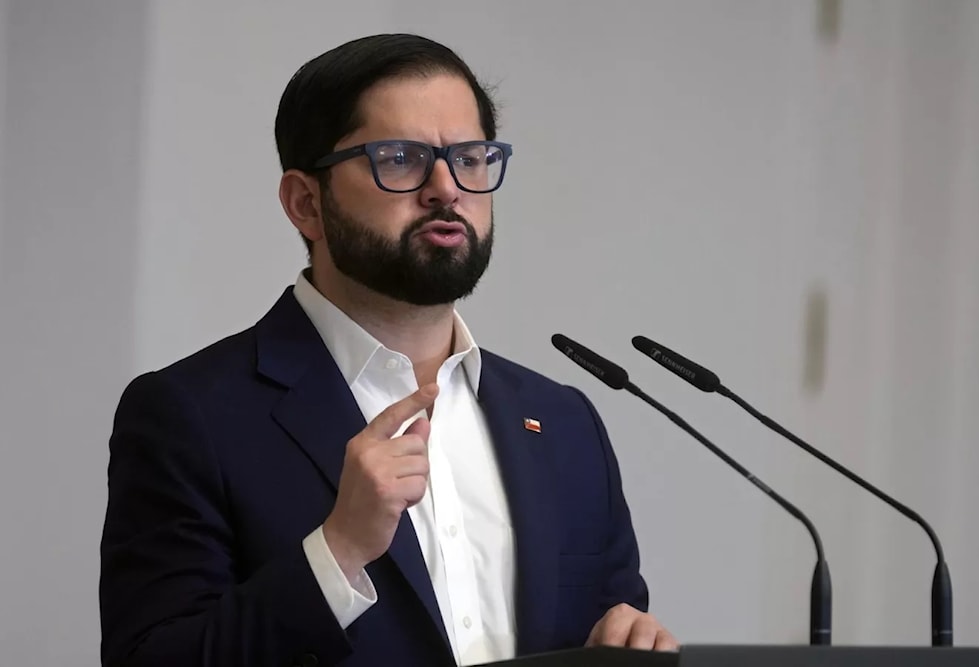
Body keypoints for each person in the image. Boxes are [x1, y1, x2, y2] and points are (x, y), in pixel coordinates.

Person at [99, 33, 677, 667]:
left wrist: (624, 646)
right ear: (305, 203)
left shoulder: (564, 423)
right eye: (400, 157)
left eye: (470, 156)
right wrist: (337, 550)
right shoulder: (191, 416)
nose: (446, 188)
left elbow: (609, 623)